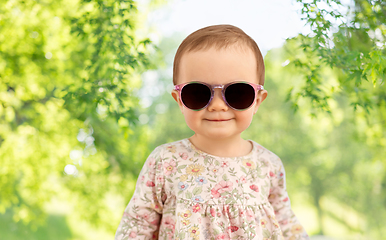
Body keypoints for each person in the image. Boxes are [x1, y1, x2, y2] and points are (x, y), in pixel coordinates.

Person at [115, 24, 309, 240]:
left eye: (237, 93)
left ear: (257, 101)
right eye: (197, 93)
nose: (217, 105)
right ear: (179, 100)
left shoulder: (268, 165)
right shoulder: (164, 162)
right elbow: (136, 227)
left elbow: (286, 224)